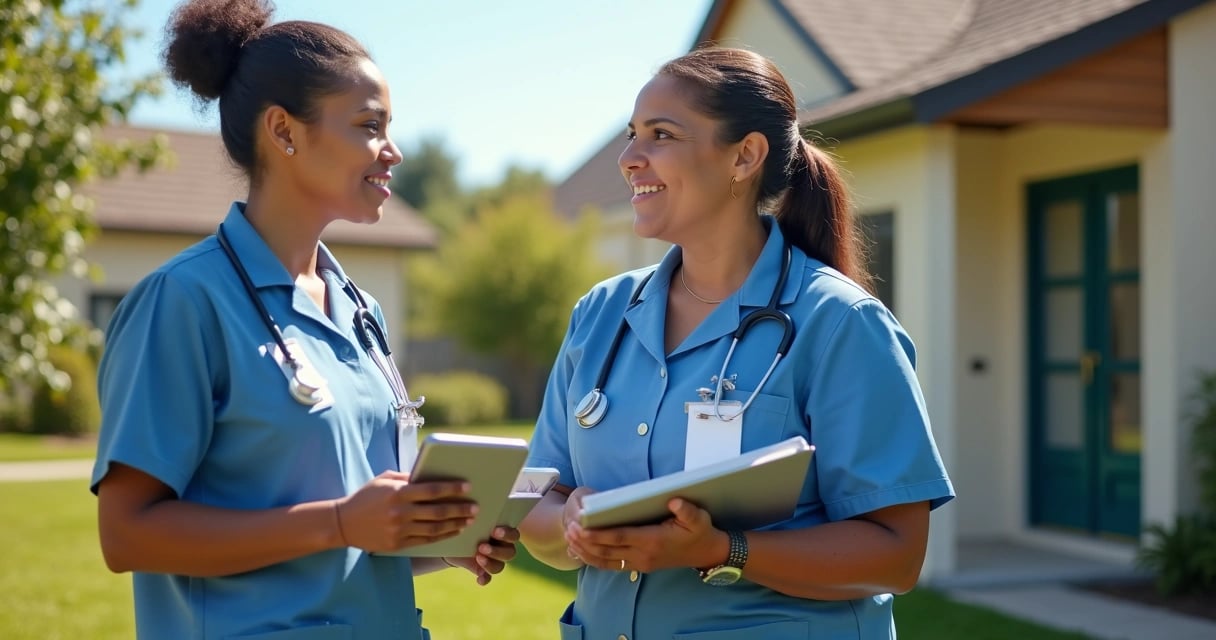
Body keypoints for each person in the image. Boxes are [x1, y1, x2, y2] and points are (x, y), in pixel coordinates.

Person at [90, 1, 516, 638]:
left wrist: (426, 537)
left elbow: (346, 528)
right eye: (369, 126)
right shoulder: (182, 302)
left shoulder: (358, 310)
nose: (393, 151)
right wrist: (343, 521)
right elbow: (127, 536)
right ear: (283, 131)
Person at [518, 47, 954, 639]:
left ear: (744, 156)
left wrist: (725, 549)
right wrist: (569, 524)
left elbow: (896, 555)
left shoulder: (840, 322)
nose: (628, 158)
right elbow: (537, 504)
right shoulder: (599, 315)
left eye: (661, 135)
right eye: (631, 135)